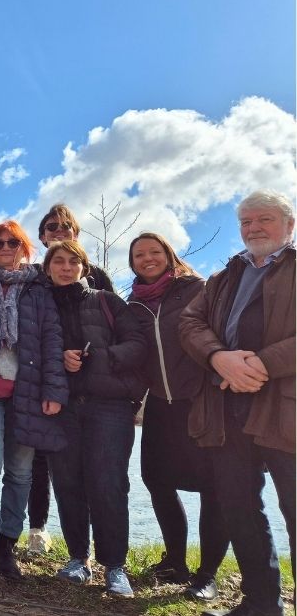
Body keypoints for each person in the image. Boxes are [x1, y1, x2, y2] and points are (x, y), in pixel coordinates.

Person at [180, 190, 295, 616]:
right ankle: (262, 604)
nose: (253, 229)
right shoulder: (225, 276)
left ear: (289, 224)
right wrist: (218, 357)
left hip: (287, 407)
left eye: (263, 219)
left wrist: (260, 364)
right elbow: (189, 322)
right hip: (225, 409)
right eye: (246, 222)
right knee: (240, 507)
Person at [0, 221, 67, 581]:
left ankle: (6, 543)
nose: (5, 248)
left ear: (24, 247)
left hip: (28, 390)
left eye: (12, 242)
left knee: (21, 473)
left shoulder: (39, 289)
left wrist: (54, 391)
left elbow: (52, 339)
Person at [127, 232, 229, 602]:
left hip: (200, 401)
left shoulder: (197, 289)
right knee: (156, 479)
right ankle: (175, 561)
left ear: (169, 256)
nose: (147, 259)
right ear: (132, 262)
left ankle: (207, 575)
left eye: (155, 252)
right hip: (158, 404)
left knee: (212, 488)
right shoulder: (134, 302)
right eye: (139, 254)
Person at [43, 240, 147, 598]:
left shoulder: (107, 301)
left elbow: (138, 345)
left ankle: (115, 566)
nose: (66, 267)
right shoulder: (40, 306)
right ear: (48, 268)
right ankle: (77, 559)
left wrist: (98, 358)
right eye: (59, 261)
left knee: (109, 484)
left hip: (109, 407)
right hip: (62, 407)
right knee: (68, 482)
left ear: (84, 267)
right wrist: (60, 358)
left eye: (74, 261)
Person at [27, 202, 117, 554]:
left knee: (92, 467)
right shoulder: (34, 278)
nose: (59, 231)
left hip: (91, 387)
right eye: (52, 227)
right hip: (46, 383)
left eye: (66, 227)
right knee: (39, 460)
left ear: (77, 235)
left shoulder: (97, 278)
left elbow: (112, 328)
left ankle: (93, 543)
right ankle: (37, 529)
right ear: (42, 236)